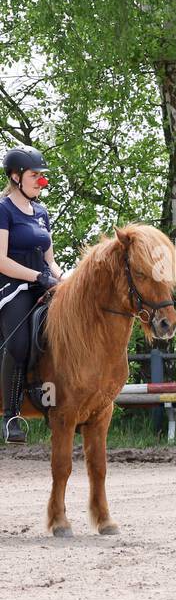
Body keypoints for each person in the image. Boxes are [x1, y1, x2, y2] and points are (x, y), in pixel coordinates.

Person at [0, 144, 61, 443]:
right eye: (35, 176)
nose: (41, 181)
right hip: (13, 287)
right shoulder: (3, 210)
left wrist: (65, 279)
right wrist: (39, 276)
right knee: (20, 344)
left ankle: (54, 403)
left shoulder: (42, 212)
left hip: (43, 282)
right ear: (15, 176)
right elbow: (2, 261)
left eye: (42, 176)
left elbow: (50, 260)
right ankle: (11, 415)